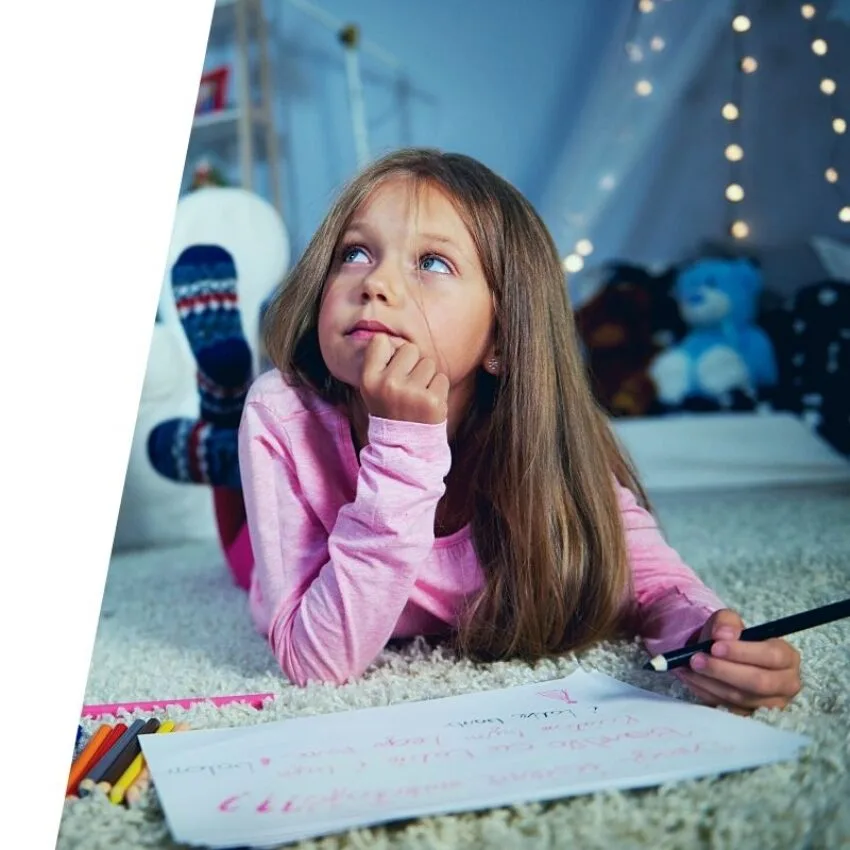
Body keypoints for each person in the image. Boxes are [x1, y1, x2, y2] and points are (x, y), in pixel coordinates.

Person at [154, 148, 802, 714]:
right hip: (285, 534)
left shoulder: (544, 446)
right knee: (240, 543)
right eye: (355, 253)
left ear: (502, 340)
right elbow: (316, 660)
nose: (375, 282)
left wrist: (707, 636)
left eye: (432, 263)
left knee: (233, 460)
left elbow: (654, 584)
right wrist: (402, 445)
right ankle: (224, 412)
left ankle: (217, 430)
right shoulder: (285, 413)